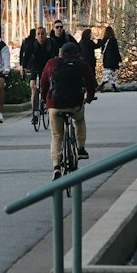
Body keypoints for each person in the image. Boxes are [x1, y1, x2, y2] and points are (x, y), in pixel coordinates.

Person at [40, 39, 96, 178]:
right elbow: (90, 83)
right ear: (77, 53)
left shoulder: (51, 63)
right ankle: (81, 148)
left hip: (55, 104)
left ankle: (56, 166)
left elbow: (43, 83)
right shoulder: (82, 64)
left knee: (57, 135)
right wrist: (89, 98)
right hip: (75, 104)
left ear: (61, 53)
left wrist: (43, 98)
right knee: (79, 120)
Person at [18, 24, 53, 120]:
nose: (40, 36)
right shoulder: (31, 45)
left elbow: (54, 58)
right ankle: (35, 112)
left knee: (48, 86)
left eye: (42, 34)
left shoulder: (51, 44)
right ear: (36, 35)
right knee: (33, 87)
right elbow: (26, 58)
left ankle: (46, 102)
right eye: (38, 34)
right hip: (35, 67)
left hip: (47, 67)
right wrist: (24, 68)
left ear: (46, 34)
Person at [99, 25, 121, 91]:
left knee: (110, 74)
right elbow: (116, 51)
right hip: (113, 60)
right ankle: (102, 86)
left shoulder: (104, 40)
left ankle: (113, 87)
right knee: (110, 74)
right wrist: (119, 59)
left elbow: (102, 50)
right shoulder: (113, 40)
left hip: (106, 60)